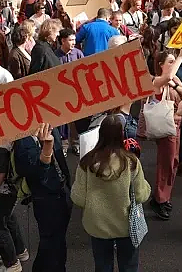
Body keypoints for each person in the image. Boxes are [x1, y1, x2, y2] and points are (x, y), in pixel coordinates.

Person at [71, 115, 152, 272]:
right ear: (121, 135)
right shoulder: (131, 163)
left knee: (102, 266)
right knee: (129, 265)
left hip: (97, 226)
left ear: (100, 134)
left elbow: (78, 198)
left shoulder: (86, 162)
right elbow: (142, 195)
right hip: (126, 226)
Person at [13, 123, 72, 272]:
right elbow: (32, 171)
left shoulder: (51, 126)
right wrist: (46, 148)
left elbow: (59, 156)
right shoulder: (23, 138)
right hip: (46, 198)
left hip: (62, 191)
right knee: (50, 242)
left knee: (57, 242)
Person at [147, 47, 182, 220]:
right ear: (160, 65)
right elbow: (170, 78)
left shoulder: (173, 79)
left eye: (174, 61)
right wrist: (181, 56)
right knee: (166, 162)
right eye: (170, 62)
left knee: (173, 162)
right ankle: (160, 199)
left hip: (176, 126)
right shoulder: (156, 81)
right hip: (166, 128)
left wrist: (176, 86)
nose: (174, 65)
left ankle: (163, 197)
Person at [0, 140, 29, 272]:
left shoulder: (4, 144)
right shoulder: (12, 138)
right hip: (14, 188)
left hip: (5, 191)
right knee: (8, 218)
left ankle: (12, 264)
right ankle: (20, 251)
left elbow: (1, 173)